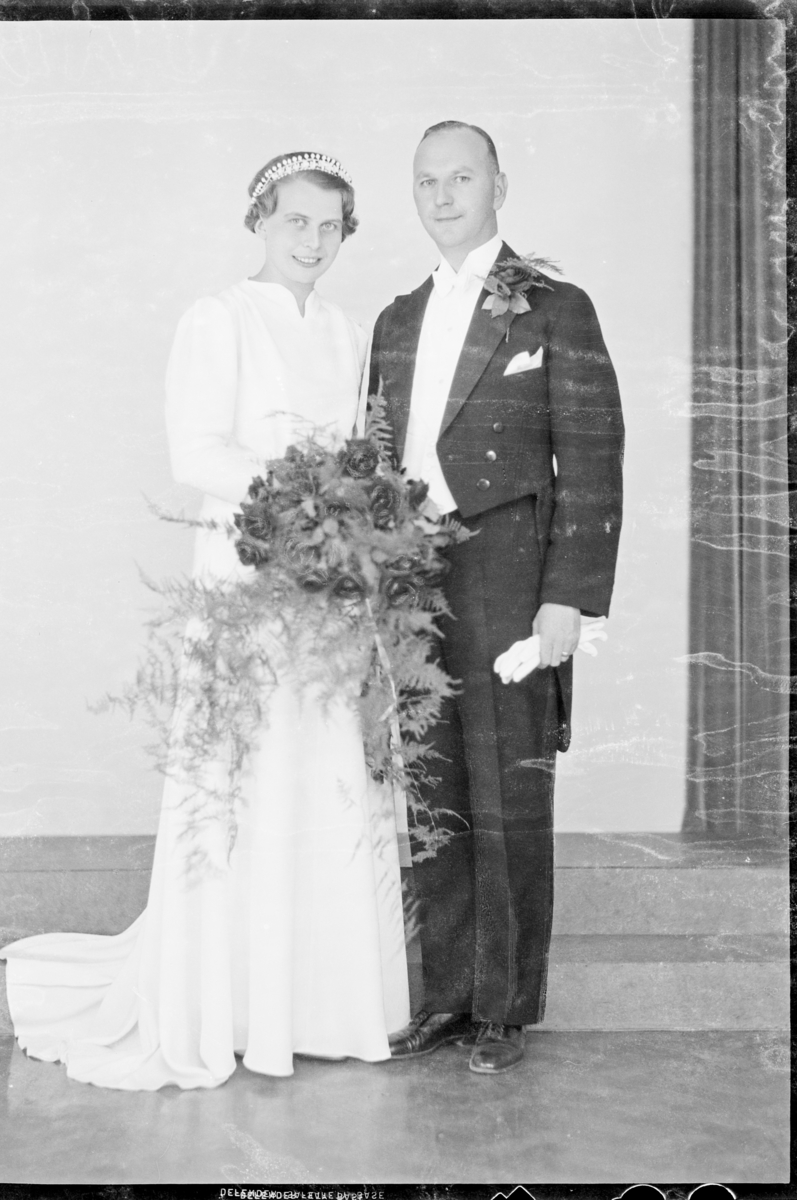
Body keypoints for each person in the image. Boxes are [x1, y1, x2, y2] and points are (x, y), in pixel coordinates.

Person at [0, 152, 410, 1090]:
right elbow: (196, 453)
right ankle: (232, 1008)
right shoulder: (217, 318)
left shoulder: (346, 331)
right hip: (245, 576)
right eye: (295, 221)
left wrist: (351, 523)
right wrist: (302, 499)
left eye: (331, 227)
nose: (313, 242)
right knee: (246, 775)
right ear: (260, 221)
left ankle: (317, 1008)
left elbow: (362, 451)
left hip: (325, 586)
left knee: (319, 773)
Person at [368, 121, 624, 1074]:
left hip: (512, 575)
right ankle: (445, 997)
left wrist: (570, 599)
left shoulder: (555, 307)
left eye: (461, 177)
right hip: (414, 578)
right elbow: (374, 455)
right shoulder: (395, 320)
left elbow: (593, 457)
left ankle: (503, 1009)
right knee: (434, 785)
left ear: (498, 186)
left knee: (508, 786)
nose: (442, 196)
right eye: (426, 181)